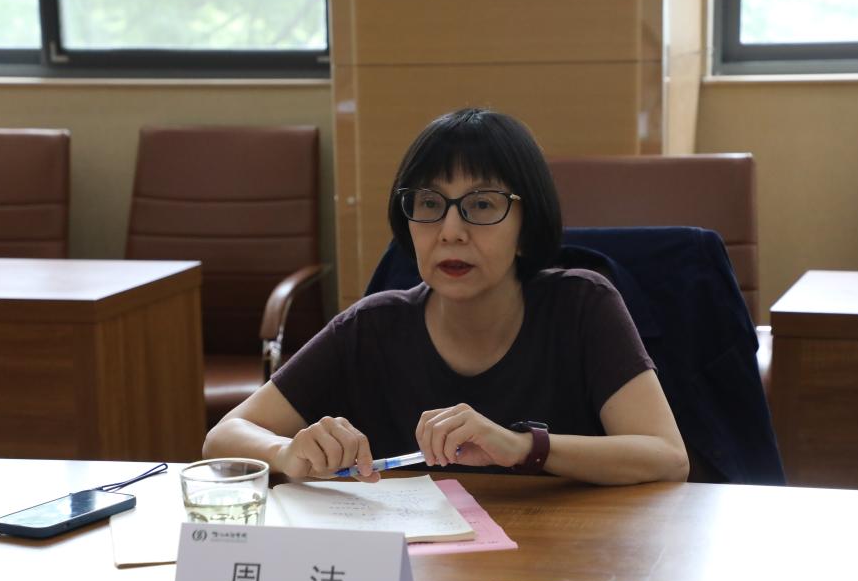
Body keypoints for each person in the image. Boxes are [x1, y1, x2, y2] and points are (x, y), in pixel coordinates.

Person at [203, 107, 688, 486]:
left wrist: (523, 447)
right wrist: (285, 452)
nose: (451, 231)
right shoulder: (372, 327)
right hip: (421, 567)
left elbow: (668, 457)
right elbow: (223, 436)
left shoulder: (582, 305)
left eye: (482, 204)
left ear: (527, 226)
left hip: (570, 555)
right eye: (430, 204)